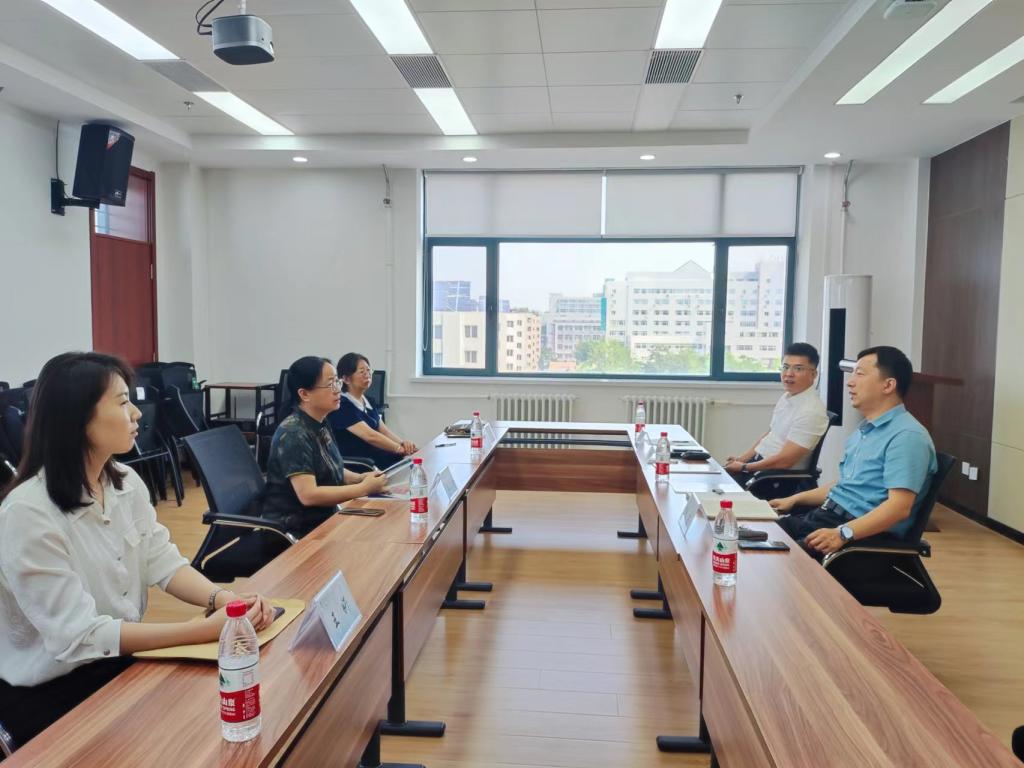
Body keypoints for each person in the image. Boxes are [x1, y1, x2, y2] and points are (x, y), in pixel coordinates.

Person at [0, 352, 274, 747]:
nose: (137, 414)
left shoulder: (125, 482)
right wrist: (200, 632)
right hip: (52, 693)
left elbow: (162, 562)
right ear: (79, 418)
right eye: (122, 401)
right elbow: (79, 638)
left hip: (120, 662)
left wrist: (225, 602)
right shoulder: (28, 514)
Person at [769, 346, 937, 558]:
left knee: (771, 559)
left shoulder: (907, 436)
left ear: (888, 385)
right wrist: (794, 499)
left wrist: (843, 533)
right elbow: (845, 485)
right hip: (827, 518)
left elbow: (899, 507)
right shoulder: (866, 430)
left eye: (860, 374)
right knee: (757, 534)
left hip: (857, 537)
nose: (850, 382)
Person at [261, 356, 388, 537]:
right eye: (330, 384)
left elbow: (331, 466)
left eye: (337, 382)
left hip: (323, 518)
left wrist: (360, 478)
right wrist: (363, 489)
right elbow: (309, 495)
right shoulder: (294, 433)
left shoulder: (320, 422)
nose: (338, 390)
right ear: (304, 394)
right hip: (293, 530)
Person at [723, 342, 830, 484]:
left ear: (813, 374)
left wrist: (744, 467)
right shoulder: (787, 397)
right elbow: (771, 434)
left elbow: (785, 461)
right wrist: (742, 459)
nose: (789, 374)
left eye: (798, 369)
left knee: (716, 488)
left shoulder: (812, 411)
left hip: (774, 478)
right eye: (785, 367)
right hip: (759, 465)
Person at [328, 353, 416, 470]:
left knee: (415, 461)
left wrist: (403, 444)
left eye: (369, 370)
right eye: (362, 372)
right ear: (346, 379)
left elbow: (384, 431)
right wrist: (399, 449)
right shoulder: (342, 405)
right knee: (409, 466)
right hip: (361, 463)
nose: (367, 375)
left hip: (378, 457)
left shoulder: (369, 401)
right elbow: (371, 436)